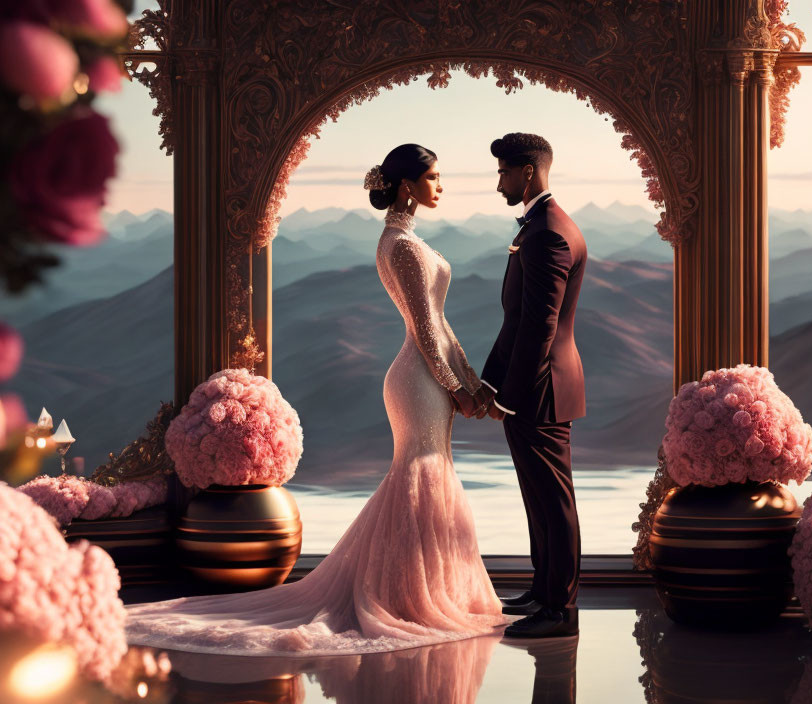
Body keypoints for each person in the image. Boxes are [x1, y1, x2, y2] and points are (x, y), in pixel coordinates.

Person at [124, 144, 505, 656]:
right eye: (434, 177)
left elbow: (440, 322)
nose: (441, 187)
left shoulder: (406, 241)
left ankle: (415, 590)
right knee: (420, 476)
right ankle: (406, 596)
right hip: (417, 380)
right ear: (408, 186)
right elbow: (423, 326)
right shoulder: (404, 246)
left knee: (426, 476)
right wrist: (456, 384)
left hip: (426, 373)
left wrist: (470, 378)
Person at [479, 133, 587, 638]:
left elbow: (538, 327)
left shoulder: (548, 232)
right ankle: (543, 589)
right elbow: (515, 317)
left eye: (503, 172)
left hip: (541, 387)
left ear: (527, 171)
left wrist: (510, 395)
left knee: (553, 497)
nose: (498, 181)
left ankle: (559, 610)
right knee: (537, 494)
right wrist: (489, 380)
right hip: (534, 383)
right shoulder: (541, 225)